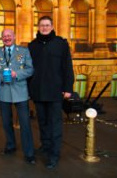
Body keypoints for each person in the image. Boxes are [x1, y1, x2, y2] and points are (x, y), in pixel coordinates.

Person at [28, 16, 74, 169]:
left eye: (47, 25)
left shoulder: (61, 44)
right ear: (38, 27)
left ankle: (54, 154)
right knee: (42, 122)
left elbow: (67, 67)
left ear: (52, 26)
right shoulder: (32, 46)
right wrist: (29, 89)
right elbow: (29, 70)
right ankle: (46, 145)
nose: (45, 27)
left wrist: (68, 89)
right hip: (38, 91)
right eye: (42, 25)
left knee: (55, 124)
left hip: (55, 91)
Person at [0, 29, 35, 165]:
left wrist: (17, 74)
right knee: (6, 123)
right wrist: (1, 77)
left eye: (9, 36)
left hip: (20, 92)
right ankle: (10, 146)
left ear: (14, 37)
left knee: (25, 124)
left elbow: (30, 69)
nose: (7, 38)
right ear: (1, 38)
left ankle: (29, 153)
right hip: (3, 91)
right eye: (4, 36)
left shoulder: (24, 51)